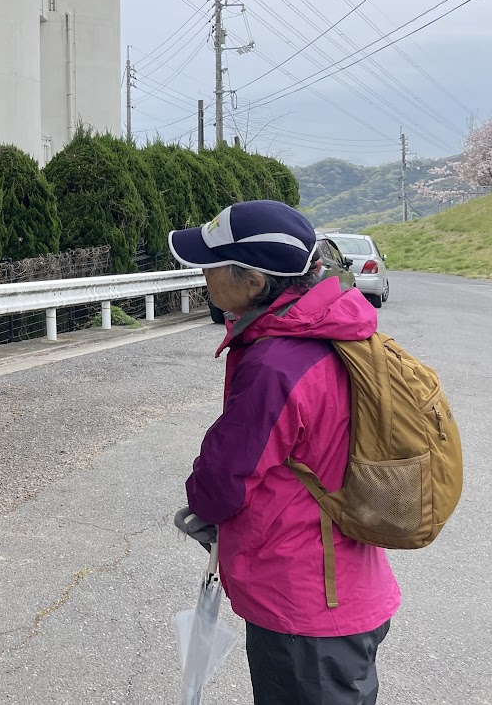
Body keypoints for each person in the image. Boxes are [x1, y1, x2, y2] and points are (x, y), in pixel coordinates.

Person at [169, 199, 400, 705]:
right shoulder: (330, 328)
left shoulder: (278, 364)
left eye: (212, 265)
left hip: (306, 606)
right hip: (347, 584)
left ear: (254, 282)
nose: (203, 275)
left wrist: (201, 504)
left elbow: (224, 480)